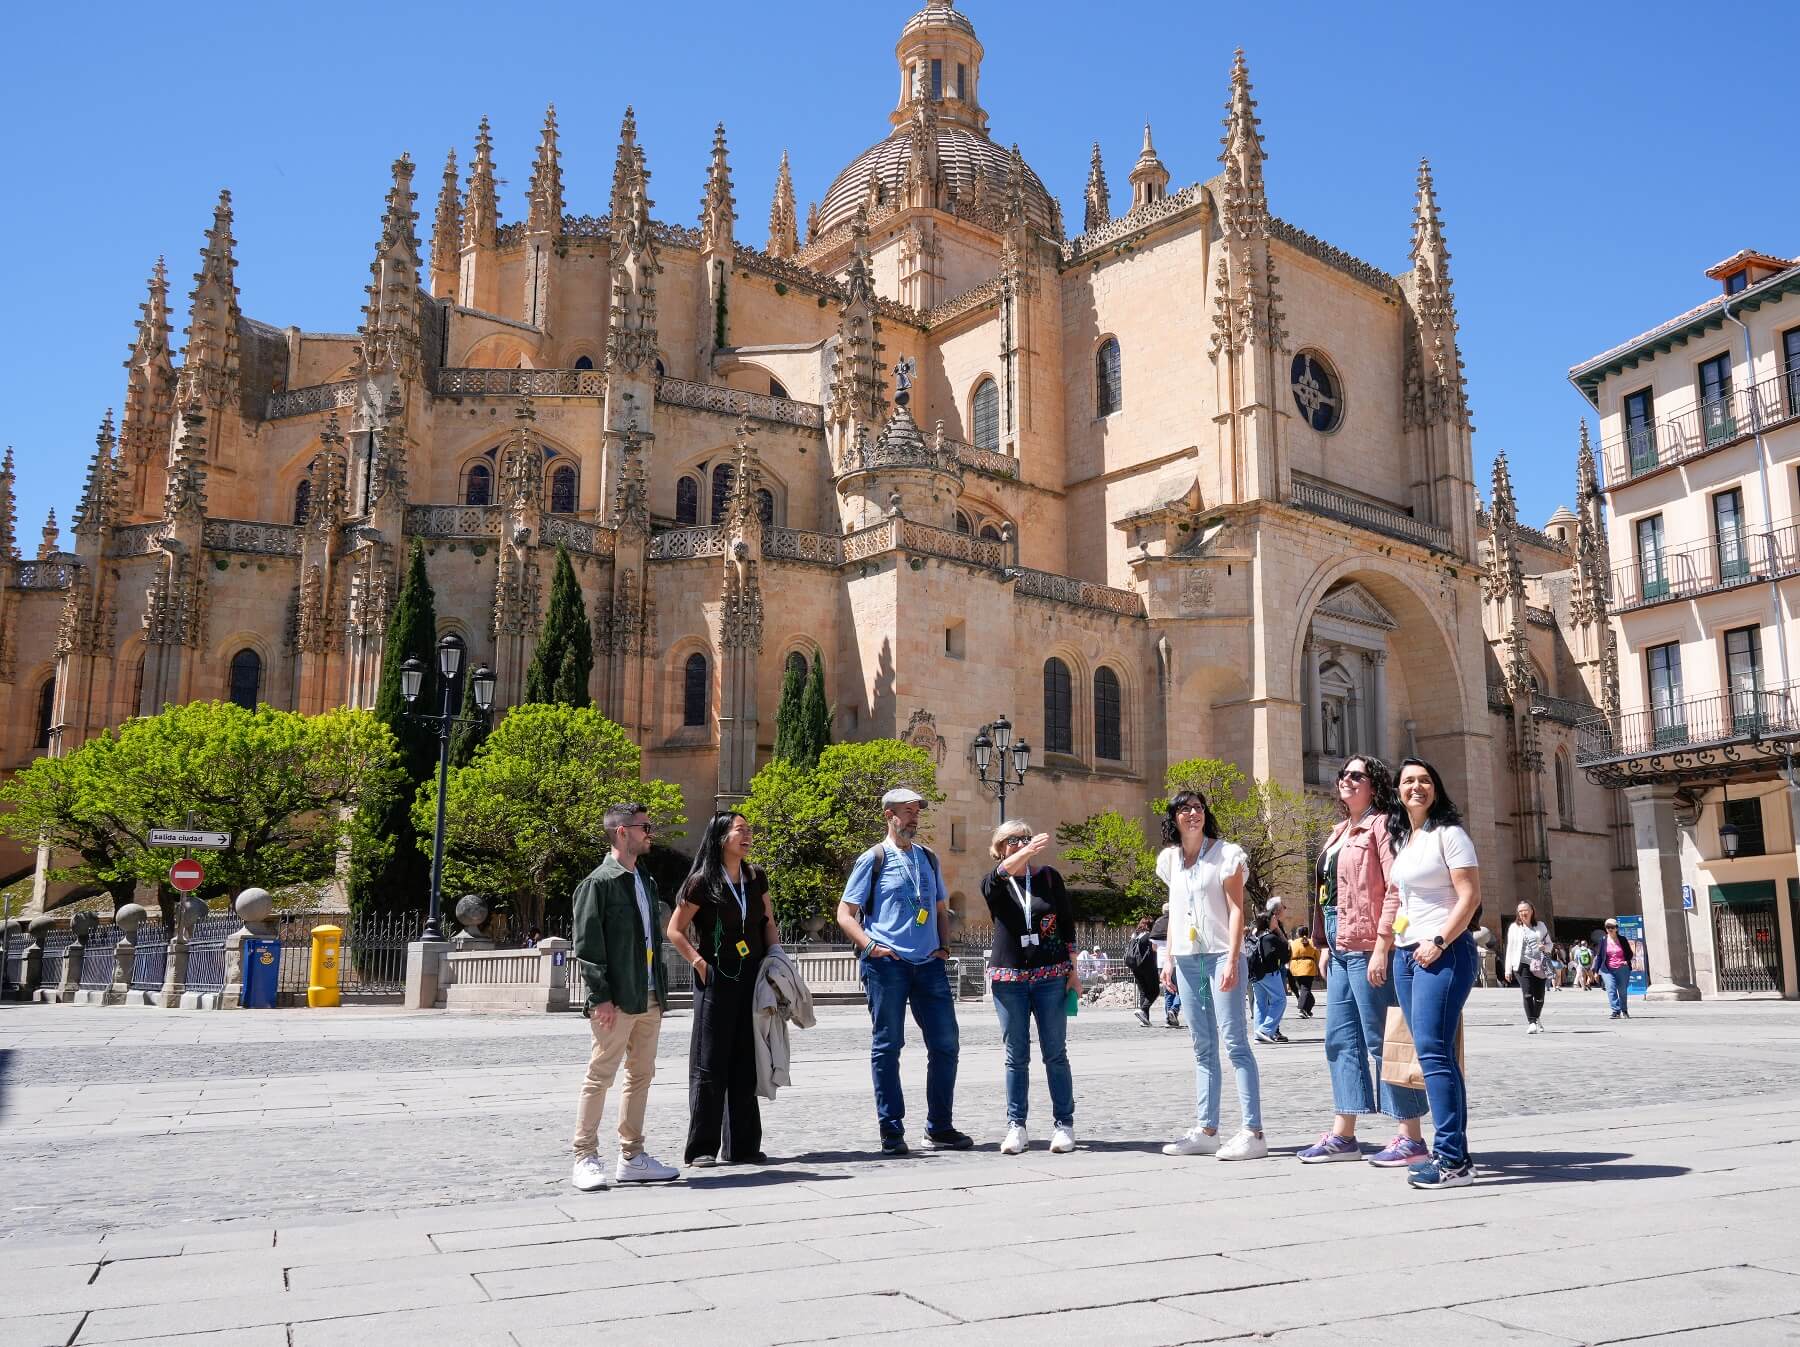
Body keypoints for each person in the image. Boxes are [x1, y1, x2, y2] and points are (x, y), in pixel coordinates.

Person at [1295, 756, 1429, 1168]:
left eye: (1357, 775)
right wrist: (1320, 943)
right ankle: (1344, 1134)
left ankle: (1411, 1135)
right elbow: (1327, 895)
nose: (1347, 781)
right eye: (1344, 775)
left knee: (1382, 1038)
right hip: (1339, 947)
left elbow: (1395, 888)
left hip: (1369, 943)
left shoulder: (1384, 826)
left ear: (1375, 784)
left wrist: (1383, 945)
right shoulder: (1338, 832)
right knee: (1340, 1040)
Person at [836, 787, 972, 1155]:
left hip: (929, 963)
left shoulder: (928, 859)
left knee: (946, 1045)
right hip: (888, 965)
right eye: (907, 811)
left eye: (916, 811)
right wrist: (870, 947)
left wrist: (943, 947)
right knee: (887, 1046)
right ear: (888, 815)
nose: (914, 817)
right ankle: (891, 1129)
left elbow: (940, 908)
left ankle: (939, 1126)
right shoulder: (873, 858)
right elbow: (844, 914)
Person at [568, 802, 681, 1191]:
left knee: (641, 1076)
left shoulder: (645, 882)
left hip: (649, 995)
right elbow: (587, 945)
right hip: (615, 999)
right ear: (621, 832)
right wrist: (599, 996)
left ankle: (632, 1156)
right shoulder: (597, 883)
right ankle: (584, 1156)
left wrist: (661, 995)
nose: (649, 833)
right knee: (600, 1076)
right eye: (644, 827)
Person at [1156, 790, 1268, 1161]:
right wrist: (1168, 958)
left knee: (1235, 1041)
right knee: (1202, 1046)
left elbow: (1237, 910)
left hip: (1221, 955)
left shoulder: (1226, 854)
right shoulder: (1170, 860)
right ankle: (1207, 1129)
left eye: (1198, 808)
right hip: (1188, 959)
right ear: (1173, 817)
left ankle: (1253, 1131)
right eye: (1185, 809)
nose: (1192, 813)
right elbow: (1176, 913)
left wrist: (1234, 959)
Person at [667, 811, 781, 1167]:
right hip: (716, 979)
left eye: (749, 830)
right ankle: (702, 1148)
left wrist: (775, 958)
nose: (747, 836)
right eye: (739, 831)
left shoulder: (756, 876)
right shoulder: (701, 882)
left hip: (753, 977)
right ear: (720, 839)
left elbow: (768, 921)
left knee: (747, 1059)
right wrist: (699, 964)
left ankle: (744, 1146)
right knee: (710, 1062)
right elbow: (675, 930)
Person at [1389, 758, 1482, 1190]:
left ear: (1437, 788)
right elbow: (1404, 902)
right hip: (1408, 954)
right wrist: (1392, 944)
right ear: (1398, 791)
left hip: (1443, 953)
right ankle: (1456, 1155)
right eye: (1408, 781)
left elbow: (1470, 896)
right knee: (1436, 1053)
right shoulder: (1407, 840)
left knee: (1433, 1054)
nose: (1416, 787)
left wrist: (1439, 941)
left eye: (1425, 780)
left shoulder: (1450, 835)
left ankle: (1450, 1159)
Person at [981, 820, 1078, 1155]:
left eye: (1025, 839)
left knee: (1055, 1053)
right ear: (999, 847)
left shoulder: (1048, 878)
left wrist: (1074, 970)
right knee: (1015, 1055)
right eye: (1011, 841)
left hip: (1050, 976)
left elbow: (1066, 924)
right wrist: (1020, 854)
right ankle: (1016, 1125)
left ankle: (1064, 1124)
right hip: (1009, 980)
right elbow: (999, 875)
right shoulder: (994, 883)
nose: (1019, 845)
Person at [1504, 900, 1552, 1035]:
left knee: (1540, 997)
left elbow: (1550, 944)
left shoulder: (1541, 926)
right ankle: (1531, 1022)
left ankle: (1536, 1018)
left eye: (1525, 910)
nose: (1522, 913)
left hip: (1539, 964)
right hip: (1521, 964)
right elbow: (1510, 949)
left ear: (1532, 911)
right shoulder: (1514, 927)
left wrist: (1545, 947)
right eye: (1520, 911)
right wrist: (1508, 969)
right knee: (1527, 993)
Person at [1250, 898, 1291, 1044]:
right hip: (1269, 972)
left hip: (1255, 974)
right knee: (1280, 1000)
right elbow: (1286, 950)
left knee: (1261, 1003)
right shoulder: (1270, 936)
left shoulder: (1255, 933)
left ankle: (1259, 1035)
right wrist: (1277, 930)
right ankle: (1266, 1030)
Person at [1597, 917, 1636, 1019]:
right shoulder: (1603, 940)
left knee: (1622, 991)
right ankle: (1616, 1011)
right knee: (1611, 989)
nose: (1609, 929)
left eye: (1612, 927)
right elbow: (1600, 956)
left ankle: (1624, 1010)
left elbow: (1630, 954)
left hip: (1622, 968)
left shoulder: (1622, 939)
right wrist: (1597, 970)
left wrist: (1626, 961)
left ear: (1616, 928)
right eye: (1607, 927)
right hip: (1607, 969)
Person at [1126, 916, 1161, 1026]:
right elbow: (1155, 949)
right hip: (1148, 966)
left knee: (1143, 992)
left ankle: (1144, 1019)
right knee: (1155, 991)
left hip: (1135, 966)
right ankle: (1143, 1010)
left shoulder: (1135, 935)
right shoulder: (1150, 936)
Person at [1151, 907, 1181, 1027]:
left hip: (1161, 962)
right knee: (1181, 990)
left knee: (1168, 991)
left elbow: (1154, 947)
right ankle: (1174, 1010)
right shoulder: (1176, 921)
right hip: (1176, 961)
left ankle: (1169, 1020)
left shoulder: (1158, 923)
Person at [1288, 926, 1319, 1019]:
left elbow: (1289, 955)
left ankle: (1308, 1009)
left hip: (1295, 968)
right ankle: (1302, 1009)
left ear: (1298, 933)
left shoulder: (1293, 943)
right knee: (1305, 989)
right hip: (1308, 967)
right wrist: (1318, 967)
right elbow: (1317, 955)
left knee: (1304, 989)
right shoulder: (1312, 942)